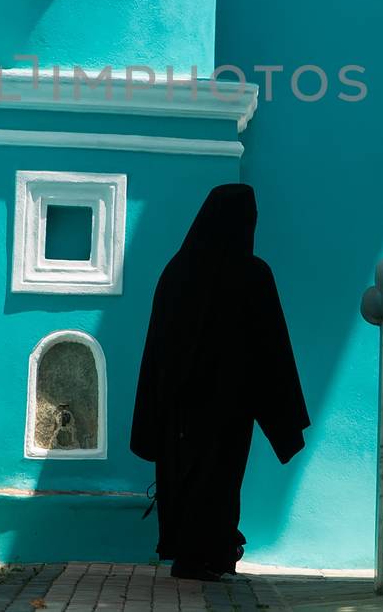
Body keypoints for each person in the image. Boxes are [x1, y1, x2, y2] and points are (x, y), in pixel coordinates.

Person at [130, 183, 310, 581]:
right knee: (221, 479)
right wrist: (283, 416)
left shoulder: (176, 272)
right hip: (228, 407)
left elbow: (157, 348)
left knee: (184, 476)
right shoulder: (252, 274)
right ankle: (205, 554)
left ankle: (196, 554)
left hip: (178, 407)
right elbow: (271, 348)